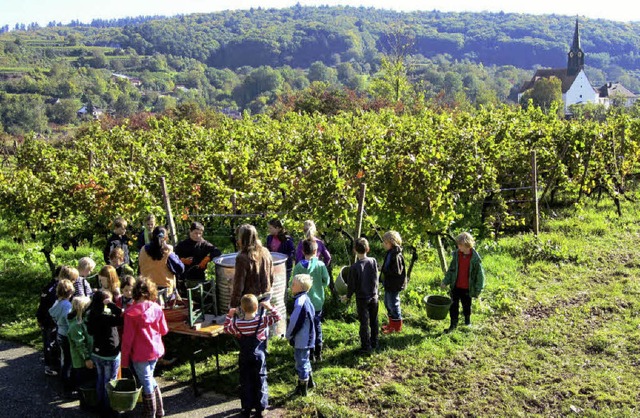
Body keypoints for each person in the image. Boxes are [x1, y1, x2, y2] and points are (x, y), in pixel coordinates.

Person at [224, 295, 281, 418]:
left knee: (245, 381)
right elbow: (277, 317)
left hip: (244, 356)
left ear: (242, 309)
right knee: (260, 379)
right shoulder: (262, 321)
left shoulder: (238, 324)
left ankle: (246, 408)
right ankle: (261, 408)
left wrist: (230, 315)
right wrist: (269, 307)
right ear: (257, 308)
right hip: (259, 356)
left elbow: (226, 329)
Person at [121, 277, 168, 418]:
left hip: (139, 354)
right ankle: (159, 410)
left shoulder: (130, 313)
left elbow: (127, 340)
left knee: (146, 381)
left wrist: (124, 361)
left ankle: (150, 412)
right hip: (155, 350)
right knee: (149, 378)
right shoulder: (157, 308)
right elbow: (164, 330)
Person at [291, 239, 329, 362]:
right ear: (316, 251)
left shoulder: (298, 267)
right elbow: (326, 281)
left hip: (303, 303)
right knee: (317, 325)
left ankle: (309, 352)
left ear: (302, 251)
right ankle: (318, 352)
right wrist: (319, 285)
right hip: (317, 302)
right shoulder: (321, 265)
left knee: (306, 326)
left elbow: (293, 283)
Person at [440, 232, 485, 333]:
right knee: (453, 306)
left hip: (467, 288)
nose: (458, 247)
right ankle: (453, 324)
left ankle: (467, 322)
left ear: (466, 244)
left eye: (460, 245)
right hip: (455, 286)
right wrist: (445, 281)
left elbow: (479, 275)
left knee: (466, 305)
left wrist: (478, 289)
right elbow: (451, 270)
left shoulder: (475, 259)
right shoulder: (457, 255)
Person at [87, 289, 123, 414]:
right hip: (110, 353)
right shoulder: (107, 316)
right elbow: (122, 317)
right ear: (105, 301)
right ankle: (108, 408)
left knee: (100, 379)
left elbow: (90, 331)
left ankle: (100, 404)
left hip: (97, 353)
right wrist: (113, 305)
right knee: (109, 382)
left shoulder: (92, 313)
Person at [344, 238, 379, 354]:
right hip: (374, 296)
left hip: (362, 298)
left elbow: (351, 285)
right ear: (368, 249)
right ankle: (375, 342)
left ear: (354, 250)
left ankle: (366, 346)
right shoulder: (373, 261)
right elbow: (376, 277)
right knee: (374, 320)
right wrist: (376, 291)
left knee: (364, 322)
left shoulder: (354, 267)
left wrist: (347, 296)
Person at [230, 224, 274, 309]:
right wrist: (269, 290)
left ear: (241, 238)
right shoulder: (265, 251)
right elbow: (271, 275)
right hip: (266, 295)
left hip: (249, 300)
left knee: (247, 322)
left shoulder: (242, 257)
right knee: (260, 321)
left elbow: (239, 284)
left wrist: (233, 305)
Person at [138, 226, 185, 306]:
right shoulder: (167, 252)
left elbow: (139, 268)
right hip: (165, 292)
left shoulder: (143, 250)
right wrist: (171, 253)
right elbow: (180, 269)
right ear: (166, 238)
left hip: (146, 288)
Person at [286, 274, 316, 396]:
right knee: (305, 359)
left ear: (301, 288)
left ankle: (302, 390)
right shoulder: (306, 298)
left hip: (302, 338)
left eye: (293, 285)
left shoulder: (299, 303)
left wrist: (289, 335)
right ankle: (310, 383)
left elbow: (294, 322)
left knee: (301, 362)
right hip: (308, 336)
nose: (291, 286)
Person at [174, 221, 222, 290]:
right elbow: (173, 256)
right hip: (184, 276)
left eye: (200, 233)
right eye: (195, 233)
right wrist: (182, 260)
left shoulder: (204, 244)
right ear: (190, 231)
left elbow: (217, 251)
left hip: (199, 276)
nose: (198, 236)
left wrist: (207, 259)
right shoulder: (182, 244)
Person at [37, 265, 66, 377]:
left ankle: (51, 364)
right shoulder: (55, 288)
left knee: (49, 342)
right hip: (50, 320)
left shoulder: (49, 286)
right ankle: (50, 366)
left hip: (45, 319)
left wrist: (39, 317)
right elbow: (46, 306)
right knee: (50, 343)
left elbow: (41, 305)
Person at [48, 278, 75, 397]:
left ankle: (64, 384)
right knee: (69, 361)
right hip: (66, 333)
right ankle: (67, 388)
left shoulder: (56, 303)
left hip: (59, 332)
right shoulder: (66, 305)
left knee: (65, 359)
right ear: (70, 293)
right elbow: (67, 318)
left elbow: (53, 314)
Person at [67, 295, 94, 406]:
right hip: (81, 361)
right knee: (83, 383)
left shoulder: (82, 321)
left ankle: (88, 400)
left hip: (86, 359)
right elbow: (80, 345)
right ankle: (85, 403)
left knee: (88, 381)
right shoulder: (75, 325)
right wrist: (86, 358)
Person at [380, 231, 407, 334]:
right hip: (388, 283)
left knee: (393, 303)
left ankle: (396, 327)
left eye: (386, 243)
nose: (384, 244)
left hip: (394, 284)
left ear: (392, 242)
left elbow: (397, 271)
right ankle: (391, 324)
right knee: (387, 303)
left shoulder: (396, 255)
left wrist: (386, 272)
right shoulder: (390, 253)